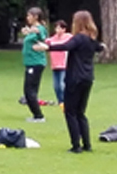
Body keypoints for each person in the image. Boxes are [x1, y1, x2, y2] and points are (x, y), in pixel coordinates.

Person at [34, 10, 105, 153]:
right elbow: (99, 47)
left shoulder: (79, 38)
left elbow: (65, 46)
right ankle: (87, 144)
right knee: (80, 113)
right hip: (87, 78)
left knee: (70, 112)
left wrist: (48, 47)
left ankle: (76, 145)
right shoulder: (91, 39)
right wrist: (102, 46)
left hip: (74, 78)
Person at [20, 6, 48, 122]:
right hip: (30, 63)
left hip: (35, 63)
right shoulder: (33, 29)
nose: (27, 18)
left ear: (35, 17)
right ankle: (36, 115)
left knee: (29, 90)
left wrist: (37, 33)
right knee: (31, 90)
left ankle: (39, 116)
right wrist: (28, 33)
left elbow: (43, 37)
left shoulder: (39, 28)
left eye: (29, 15)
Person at [46, 19, 72, 105]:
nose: (58, 30)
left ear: (64, 29)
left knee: (62, 85)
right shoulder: (52, 39)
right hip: (54, 65)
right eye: (56, 28)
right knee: (56, 86)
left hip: (64, 64)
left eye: (60, 28)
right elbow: (45, 43)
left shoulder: (68, 37)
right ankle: (60, 101)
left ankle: (66, 100)